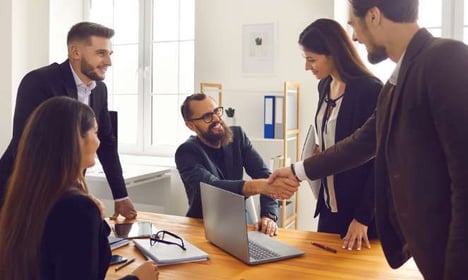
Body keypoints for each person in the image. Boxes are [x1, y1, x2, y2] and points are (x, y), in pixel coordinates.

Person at [270, 0, 468, 279]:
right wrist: (296, 171)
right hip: (429, 253)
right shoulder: (394, 84)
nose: (353, 37)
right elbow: (360, 144)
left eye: (353, 24)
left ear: (374, 16)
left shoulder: (446, 57)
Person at [0, 96, 158, 279]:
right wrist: (136, 278)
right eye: (96, 133)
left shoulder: (20, 195)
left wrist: (95, 220)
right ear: (76, 140)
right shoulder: (77, 208)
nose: (99, 143)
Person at [0, 21, 137, 219]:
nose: (108, 61)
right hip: (21, 190)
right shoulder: (39, 81)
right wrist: (76, 194)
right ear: (75, 52)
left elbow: (106, 142)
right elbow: (29, 144)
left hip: (64, 194)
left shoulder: (99, 90)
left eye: (110, 54)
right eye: (101, 53)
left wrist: (120, 195)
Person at [298, 18, 382, 250]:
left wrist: (363, 217)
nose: (307, 67)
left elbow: (380, 161)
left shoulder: (370, 89)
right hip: (328, 208)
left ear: (333, 53)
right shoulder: (324, 86)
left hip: (361, 216)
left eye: (311, 60)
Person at [175, 93, 299, 236]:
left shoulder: (237, 136)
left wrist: (268, 217)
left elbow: (265, 176)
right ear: (191, 125)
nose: (216, 119)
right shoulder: (186, 152)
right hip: (202, 228)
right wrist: (259, 186)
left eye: (217, 111)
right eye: (207, 117)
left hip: (238, 224)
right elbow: (212, 187)